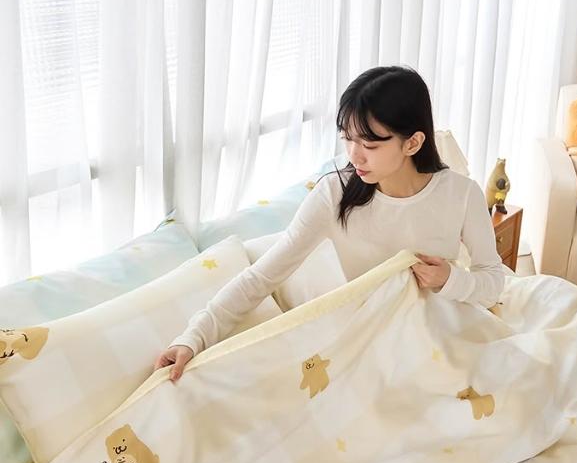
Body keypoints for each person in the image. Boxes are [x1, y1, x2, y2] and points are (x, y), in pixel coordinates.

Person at [153, 65, 505, 382]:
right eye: (347, 139)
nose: (354, 155)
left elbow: (492, 281)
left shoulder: (461, 194)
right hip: (372, 344)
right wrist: (193, 337)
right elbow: (262, 277)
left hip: (443, 336)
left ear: (412, 143)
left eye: (369, 144)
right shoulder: (334, 194)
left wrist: (449, 279)